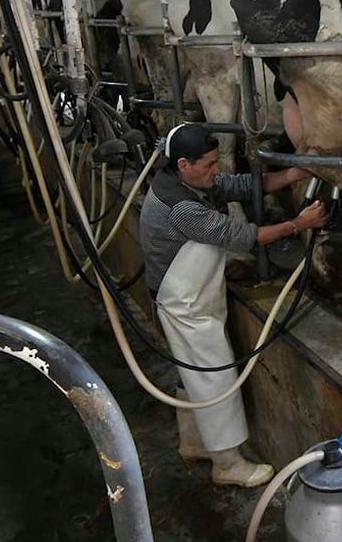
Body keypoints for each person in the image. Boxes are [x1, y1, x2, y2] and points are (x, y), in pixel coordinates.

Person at [138, 123, 327, 487]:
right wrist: (298, 224)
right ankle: (227, 464)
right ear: (183, 164)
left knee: (191, 373)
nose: (216, 170)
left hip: (191, 297)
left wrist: (292, 173)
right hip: (181, 304)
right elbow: (244, 236)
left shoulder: (188, 182)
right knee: (213, 376)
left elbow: (242, 185)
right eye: (208, 164)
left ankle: (194, 442)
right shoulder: (181, 207)